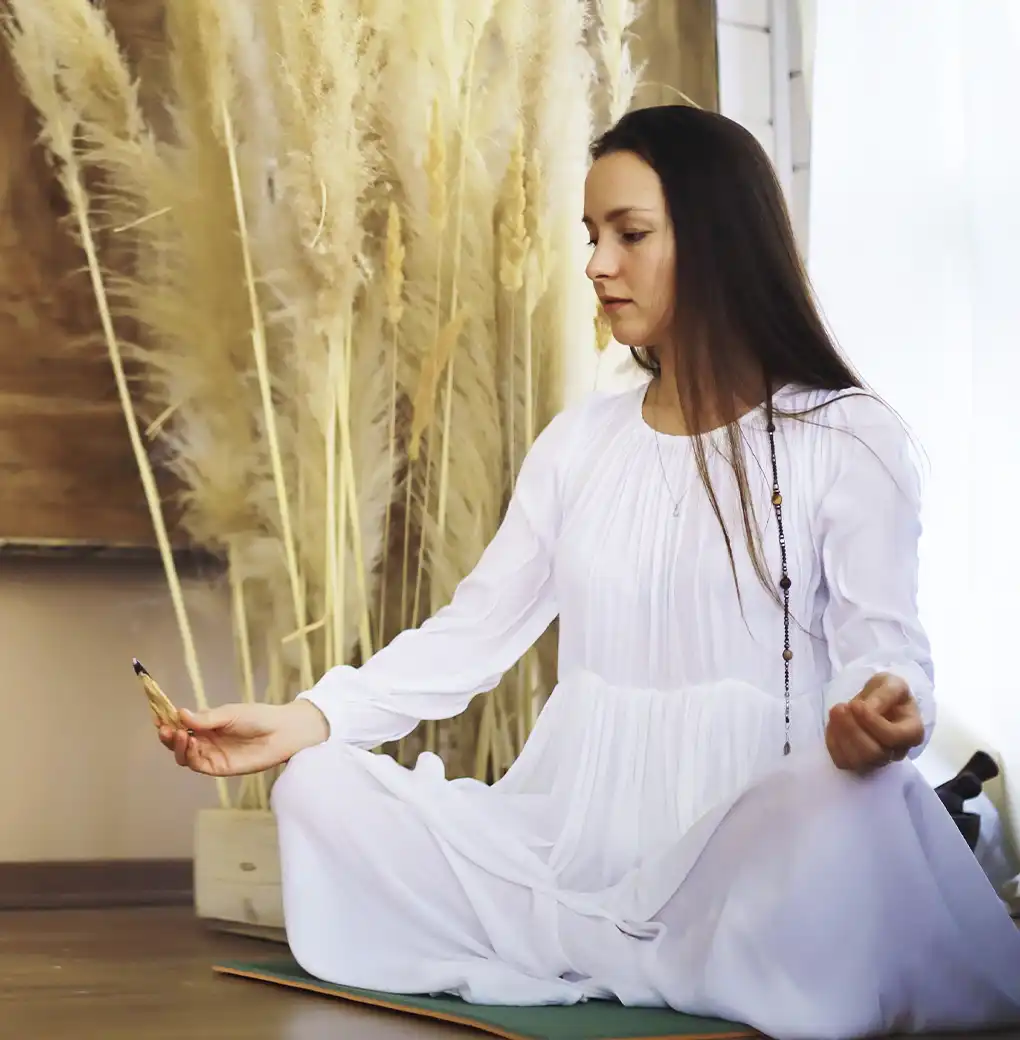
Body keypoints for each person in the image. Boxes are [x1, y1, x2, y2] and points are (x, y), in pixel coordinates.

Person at [157, 105, 1020, 1038]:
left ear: (722, 240)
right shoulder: (579, 444)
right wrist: (302, 721)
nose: (597, 264)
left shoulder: (847, 434)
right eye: (590, 235)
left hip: (761, 832)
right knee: (318, 786)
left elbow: (882, 650)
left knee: (844, 806)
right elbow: (473, 634)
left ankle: (674, 944)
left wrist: (880, 719)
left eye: (630, 234)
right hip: (577, 840)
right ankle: (642, 949)